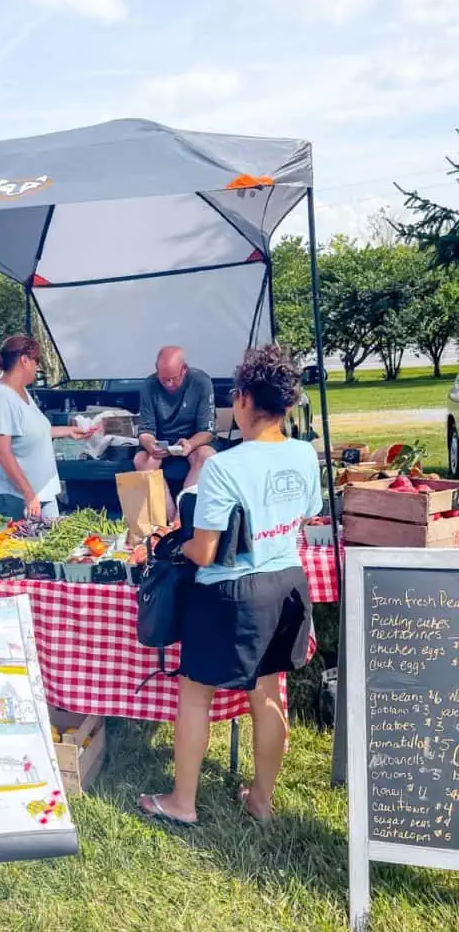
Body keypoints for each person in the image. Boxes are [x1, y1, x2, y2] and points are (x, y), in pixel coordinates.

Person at [139, 346, 321, 826]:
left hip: (231, 593)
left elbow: (204, 550)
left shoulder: (223, 466)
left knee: (195, 694)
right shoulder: (305, 454)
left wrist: (169, 543)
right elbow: (304, 515)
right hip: (286, 584)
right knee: (267, 694)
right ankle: (261, 799)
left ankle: (183, 801)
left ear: (241, 400)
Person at [0, 334, 86, 519]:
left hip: (41, 491)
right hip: (13, 496)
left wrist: (68, 432)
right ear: (24, 360)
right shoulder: (1, 398)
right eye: (36, 361)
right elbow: (1, 450)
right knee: (21, 547)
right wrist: (28, 493)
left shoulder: (22, 392)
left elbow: (31, 432)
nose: (37, 367)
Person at [135, 346, 218, 520]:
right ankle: (169, 519)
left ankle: (182, 518)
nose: (169, 384)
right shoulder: (149, 386)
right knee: (141, 460)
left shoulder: (201, 382)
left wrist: (191, 444)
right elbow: (145, 431)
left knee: (207, 456)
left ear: (184, 370)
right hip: (161, 442)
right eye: (164, 379)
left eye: (174, 379)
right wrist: (150, 444)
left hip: (193, 440)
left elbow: (207, 431)